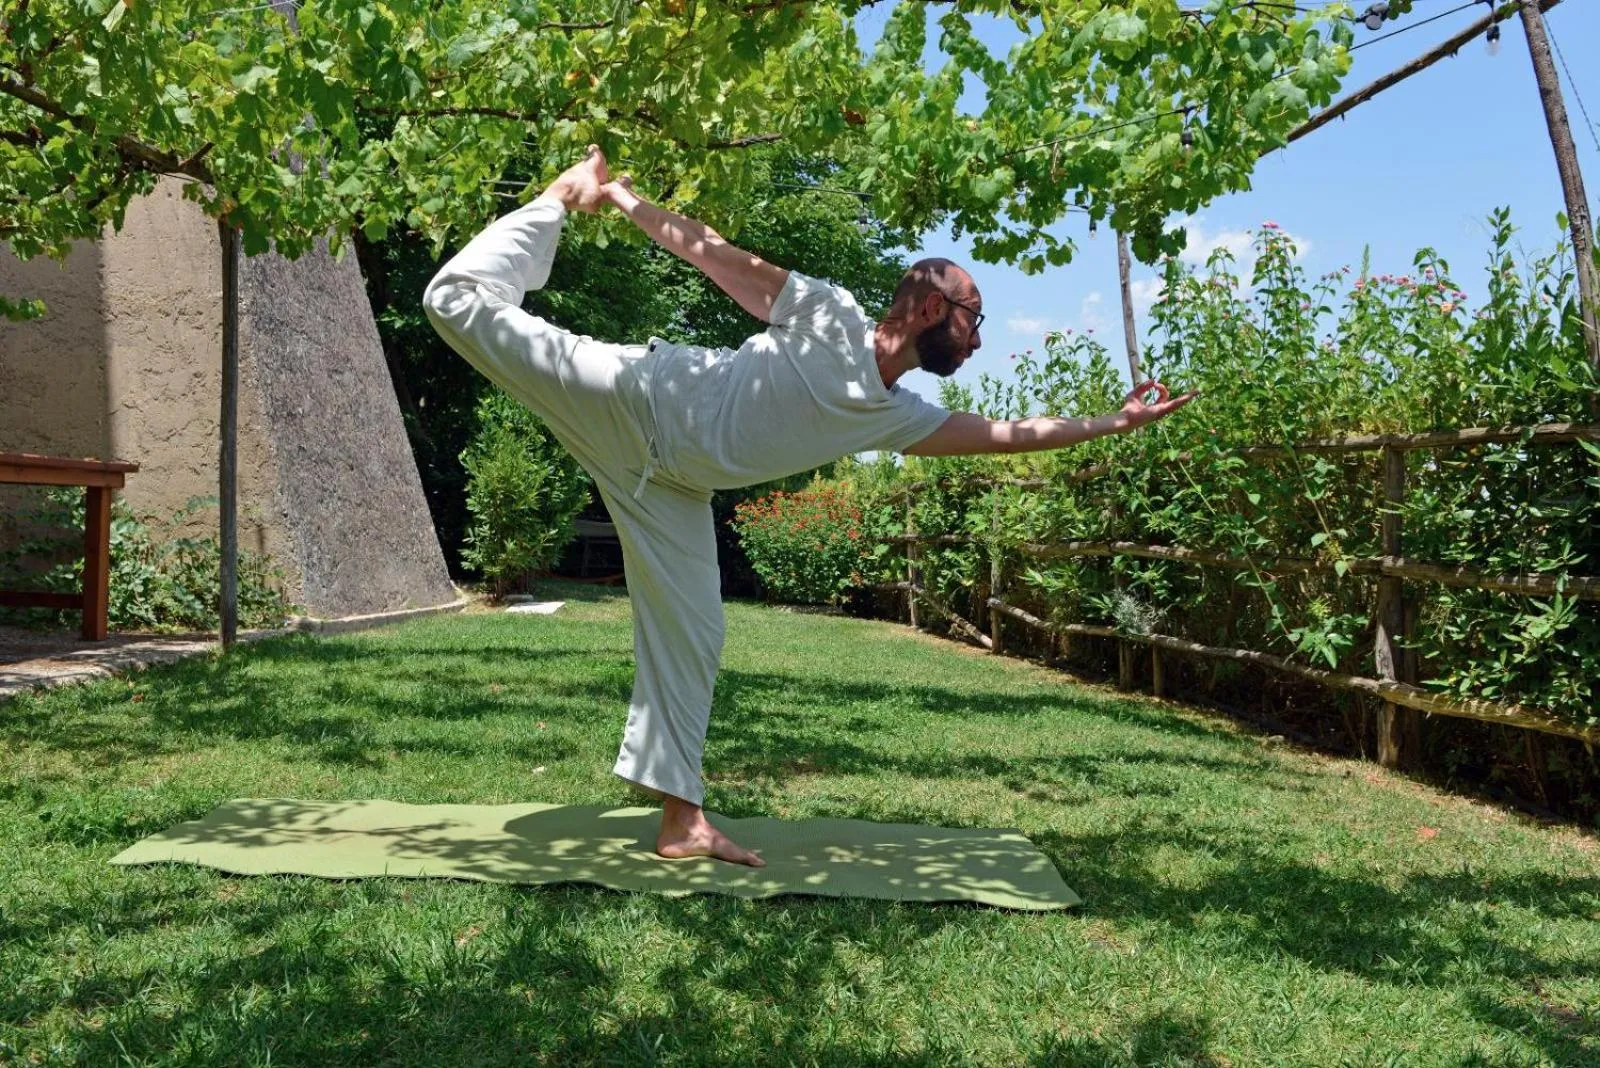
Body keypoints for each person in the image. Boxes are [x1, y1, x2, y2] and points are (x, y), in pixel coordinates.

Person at [424, 146, 1196, 867]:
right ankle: (563, 193)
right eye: (974, 317)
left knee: (694, 629)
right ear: (930, 308)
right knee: (453, 301)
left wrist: (1112, 422)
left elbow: (1003, 434)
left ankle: (679, 820)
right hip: (635, 402)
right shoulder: (827, 313)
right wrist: (617, 194)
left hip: (670, 487)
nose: (978, 337)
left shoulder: (896, 413)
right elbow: (711, 252)